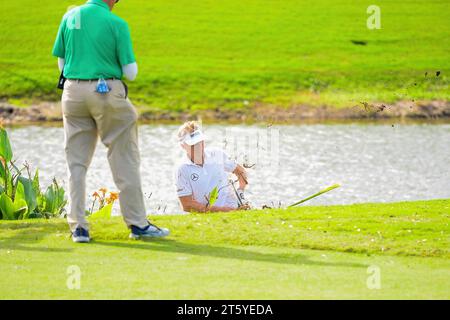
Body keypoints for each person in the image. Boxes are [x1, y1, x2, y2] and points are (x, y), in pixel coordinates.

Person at [52, 0, 169, 242]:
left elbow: (61, 64)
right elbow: (131, 73)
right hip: (106, 92)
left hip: (72, 93)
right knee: (124, 156)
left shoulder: (71, 16)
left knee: (76, 162)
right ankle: (138, 225)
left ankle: (79, 228)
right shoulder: (117, 23)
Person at [175, 121, 250, 213]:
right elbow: (187, 205)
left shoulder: (217, 154)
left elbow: (240, 172)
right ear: (182, 145)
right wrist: (222, 211)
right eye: (193, 144)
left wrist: (240, 192)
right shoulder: (182, 169)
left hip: (234, 209)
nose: (198, 147)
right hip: (206, 217)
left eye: (200, 142)